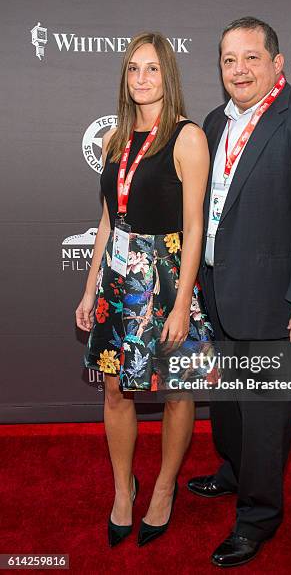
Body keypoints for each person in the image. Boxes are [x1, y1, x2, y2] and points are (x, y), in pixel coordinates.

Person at [187, 17, 291, 568]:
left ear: (278, 62)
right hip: (220, 293)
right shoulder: (214, 122)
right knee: (231, 407)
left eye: (251, 57)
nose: (239, 69)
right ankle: (234, 474)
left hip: (278, 304)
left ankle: (257, 517)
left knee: (265, 417)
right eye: (229, 59)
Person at [75, 31, 214, 548]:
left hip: (169, 276)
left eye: (152, 68)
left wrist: (182, 305)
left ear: (168, 75)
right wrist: (91, 290)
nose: (141, 78)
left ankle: (162, 489)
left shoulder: (187, 137)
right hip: (119, 276)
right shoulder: (116, 139)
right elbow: (108, 221)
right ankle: (122, 489)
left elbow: (196, 226)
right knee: (115, 389)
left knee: (177, 390)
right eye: (133, 68)